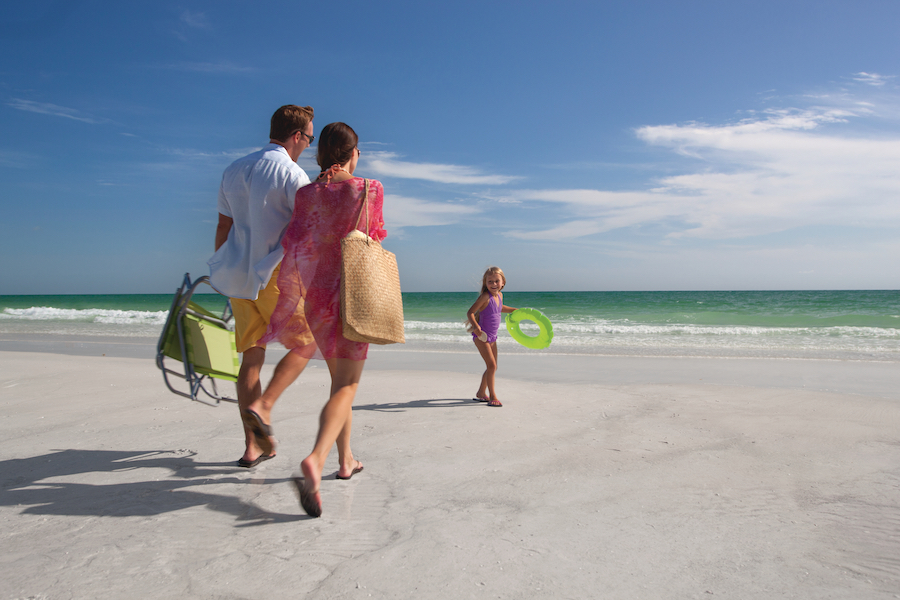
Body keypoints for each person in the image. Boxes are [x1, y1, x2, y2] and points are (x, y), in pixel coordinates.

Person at [260, 122, 386, 517]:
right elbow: (375, 234)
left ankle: (345, 459)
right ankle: (316, 458)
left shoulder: (307, 193)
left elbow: (296, 242)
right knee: (348, 385)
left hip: (317, 297)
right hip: (353, 296)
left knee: (338, 382)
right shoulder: (369, 188)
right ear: (354, 153)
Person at [207, 105, 316, 468]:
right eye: (310, 138)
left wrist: (224, 268)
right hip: (275, 275)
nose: (309, 145)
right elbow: (305, 234)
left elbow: (224, 228)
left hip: (238, 278)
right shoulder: (292, 174)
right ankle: (264, 404)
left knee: (251, 358)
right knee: (306, 343)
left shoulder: (233, 169)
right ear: (297, 136)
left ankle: (252, 447)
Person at [466, 267, 516, 407]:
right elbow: (470, 312)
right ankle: (493, 396)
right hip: (481, 337)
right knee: (492, 366)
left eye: (496, 281)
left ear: (503, 282)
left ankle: (481, 393)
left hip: (493, 337)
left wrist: (516, 311)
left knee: (492, 367)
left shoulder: (499, 295)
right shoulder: (485, 297)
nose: (494, 284)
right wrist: (476, 326)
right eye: (490, 282)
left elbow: (499, 308)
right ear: (485, 283)